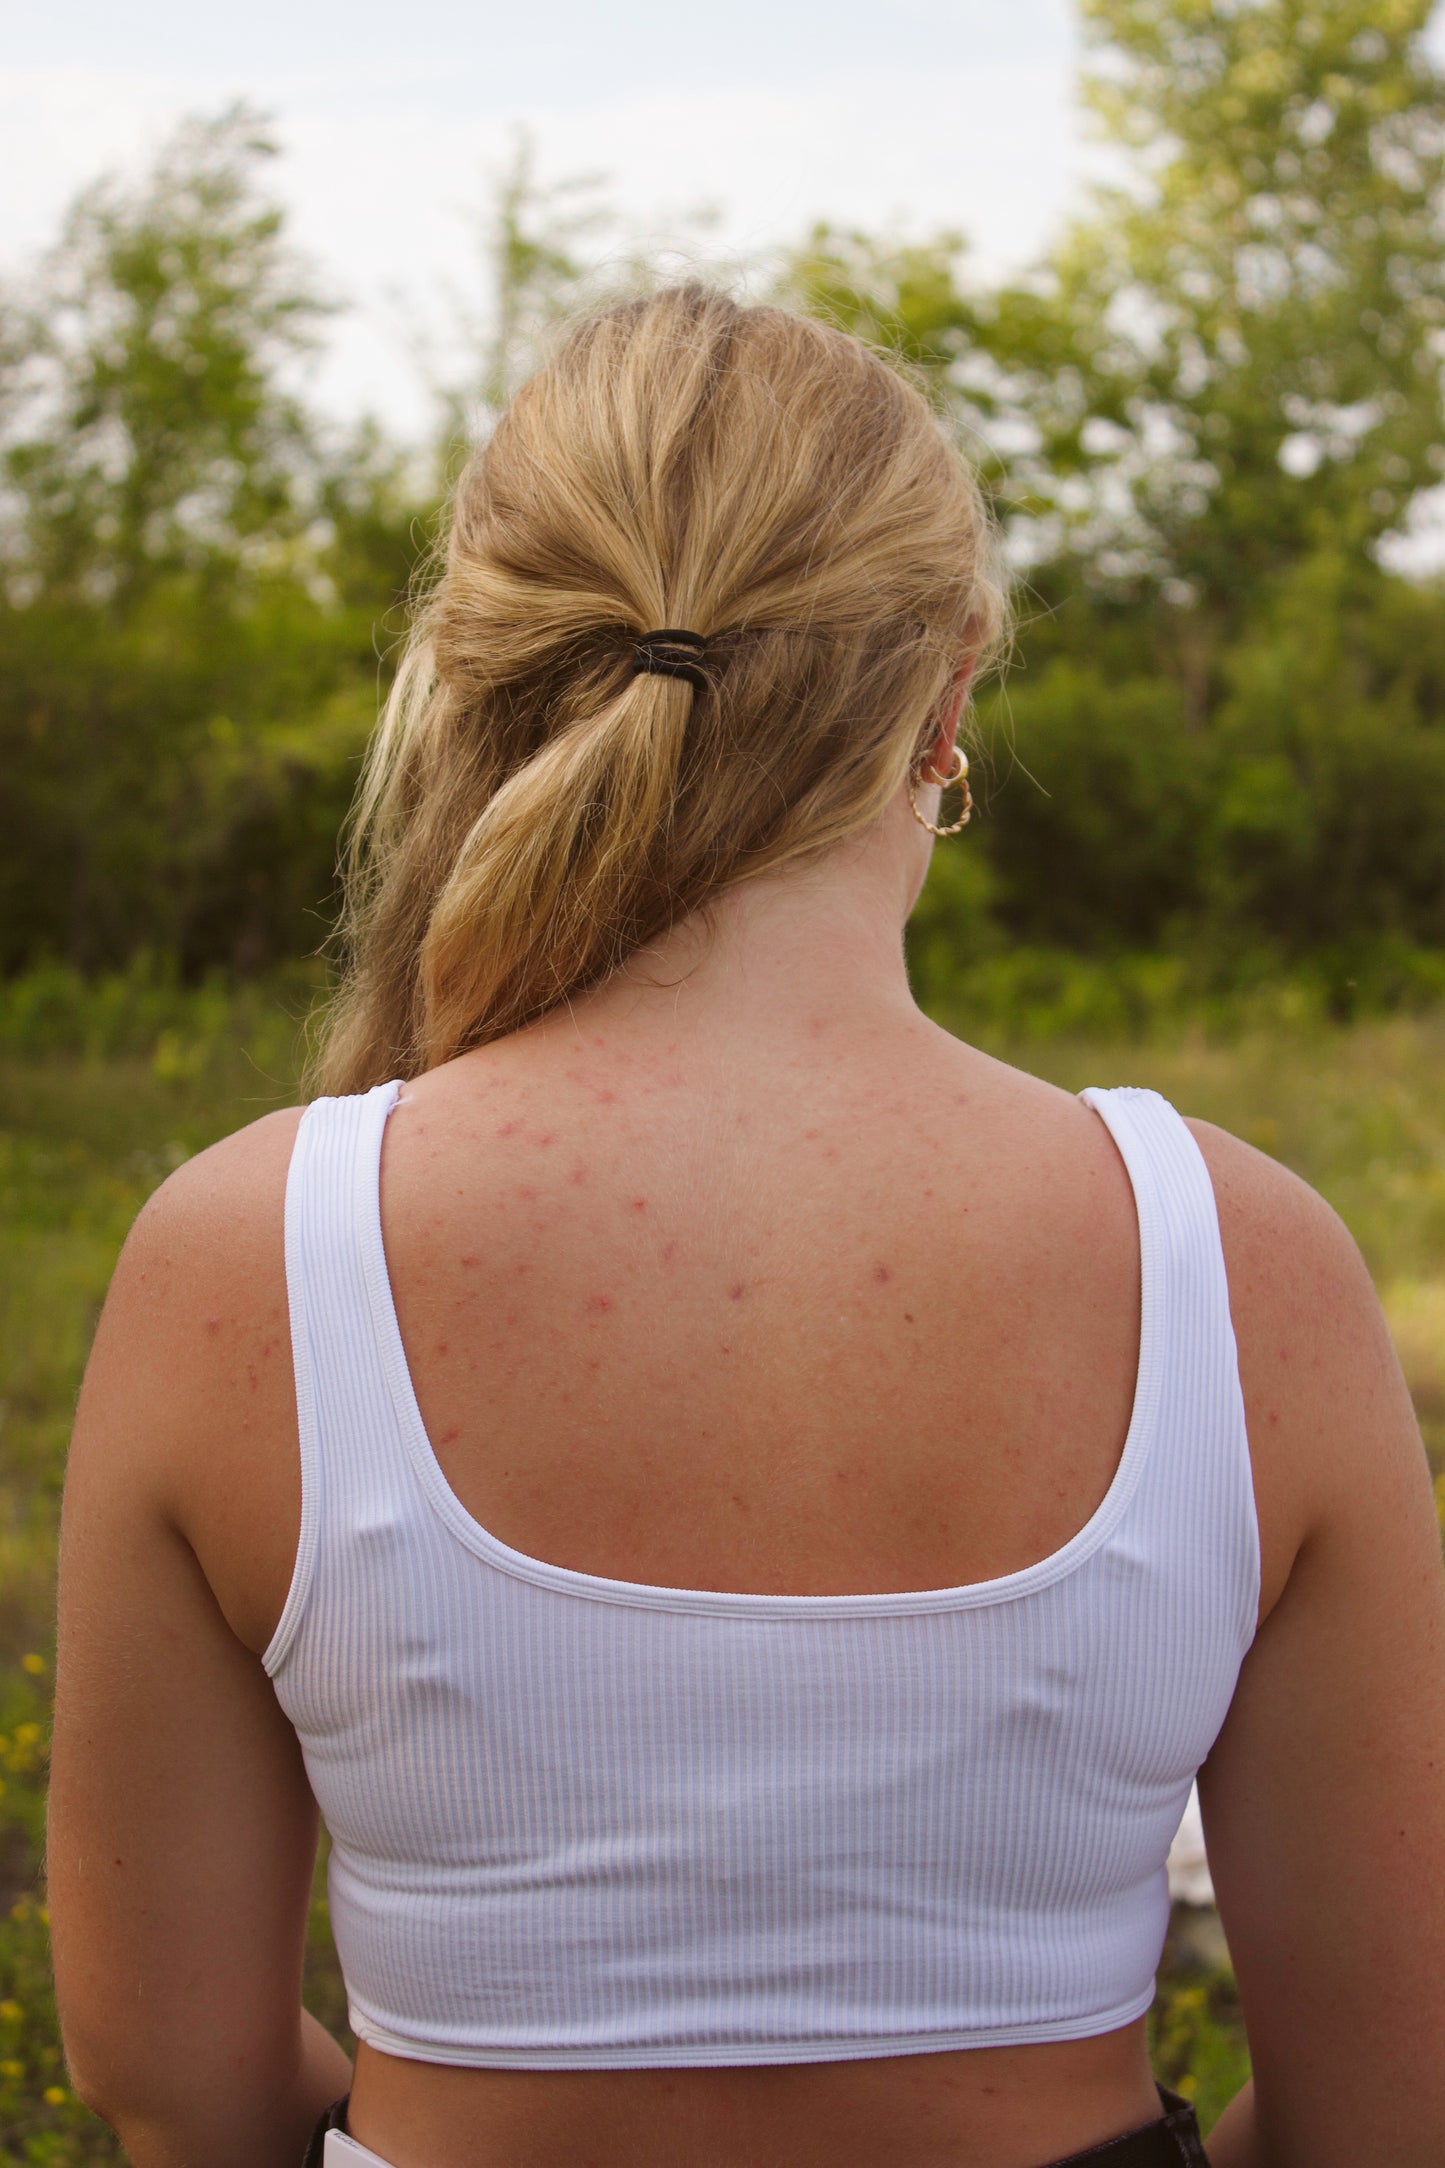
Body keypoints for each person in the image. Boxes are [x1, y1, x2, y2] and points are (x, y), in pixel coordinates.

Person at [47, 286, 1445, 2168]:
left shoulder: (242, 1257)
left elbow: (177, 2085)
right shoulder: (1234, 1261)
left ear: (477, 665)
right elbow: (1391, 2108)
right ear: (948, 699)